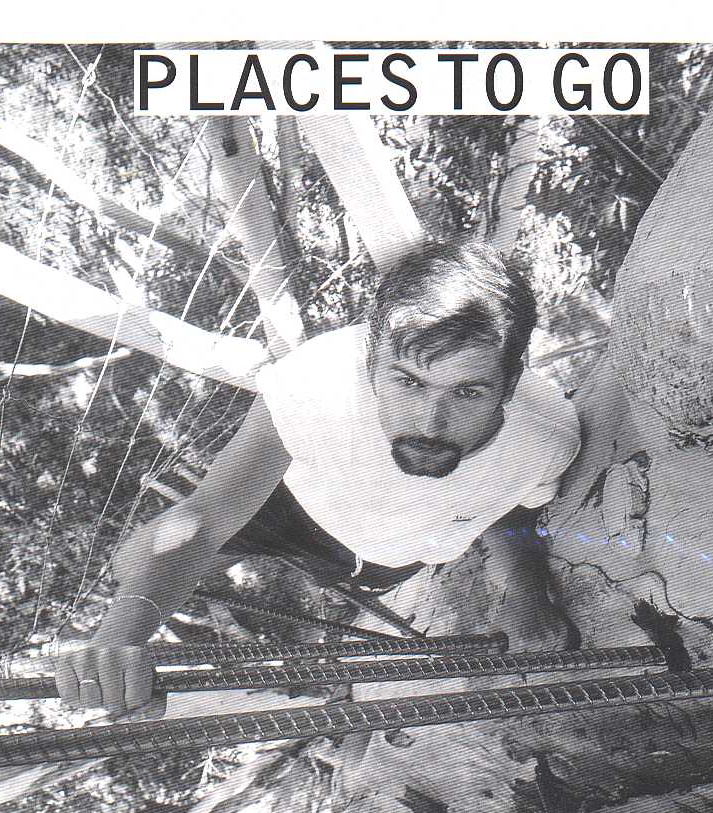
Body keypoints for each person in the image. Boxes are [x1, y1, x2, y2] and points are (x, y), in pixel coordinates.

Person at [56, 241, 582, 712]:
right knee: (132, 566)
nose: (431, 423)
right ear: (368, 362)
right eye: (407, 382)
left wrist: (524, 589)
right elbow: (208, 518)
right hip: (287, 500)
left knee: (326, 585)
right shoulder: (319, 381)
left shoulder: (546, 439)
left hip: (383, 555)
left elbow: (514, 507)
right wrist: (120, 638)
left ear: (511, 384)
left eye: (468, 392)